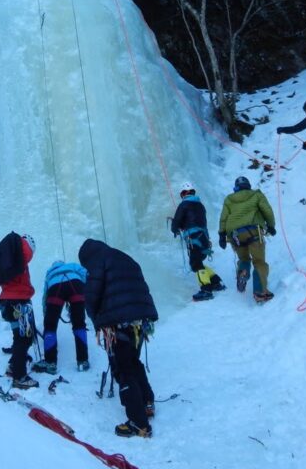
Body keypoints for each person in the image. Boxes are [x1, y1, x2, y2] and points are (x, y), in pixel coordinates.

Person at [79, 238, 158, 438]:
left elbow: (91, 295)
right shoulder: (126, 258)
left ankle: (139, 423)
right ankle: (147, 401)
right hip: (140, 320)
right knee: (133, 361)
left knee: (123, 369)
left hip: (118, 323)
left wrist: (96, 320)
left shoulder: (98, 262)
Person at [218, 177, 277, 304]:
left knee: (244, 259)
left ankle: (243, 273)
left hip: (235, 235)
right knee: (259, 262)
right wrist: (271, 226)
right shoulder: (256, 195)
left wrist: (221, 235)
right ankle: (260, 292)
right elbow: (267, 210)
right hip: (253, 231)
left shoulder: (229, 199)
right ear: (248, 186)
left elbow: (223, 218)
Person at [0, 233, 39, 389]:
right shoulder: (21, 254)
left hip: (7, 302)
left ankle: (13, 367)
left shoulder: (10, 259)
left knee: (18, 337)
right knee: (24, 339)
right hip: (18, 303)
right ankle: (19, 376)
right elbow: (28, 252)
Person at [31, 261, 90, 374]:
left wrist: (47, 314)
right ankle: (83, 361)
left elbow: (45, 295)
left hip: (56, 288)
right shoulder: (72, 266)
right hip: (76, 285)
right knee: (79, 325)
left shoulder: (50, 273)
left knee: (50, 327)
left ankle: (50, 363)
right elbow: (85, 273)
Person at [170, 181, 225, 301]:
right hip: (203, 237)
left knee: (195, 264)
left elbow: (178, 220)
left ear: (183, 194)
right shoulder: (200, 205)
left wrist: (174, 229)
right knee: (198, 261)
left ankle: (206, 289)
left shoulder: (184, 205)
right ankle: (216, 282)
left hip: (193, 238)